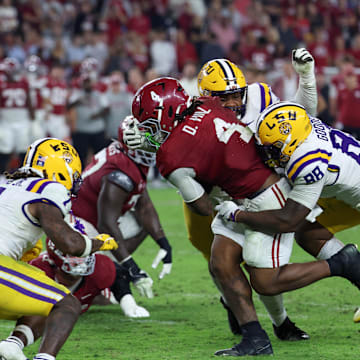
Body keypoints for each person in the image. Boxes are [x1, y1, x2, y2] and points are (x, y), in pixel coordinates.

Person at [123, 77, 360, 357]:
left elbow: (202, 206)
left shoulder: (171, 157)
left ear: (168, 113)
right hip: (247, 190)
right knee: (221, 263)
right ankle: (255, 338)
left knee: (266, 281)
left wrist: (161, 152)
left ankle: (341, 264)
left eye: (150, 124)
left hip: (264, 197)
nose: (149, 132)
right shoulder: (207, 103)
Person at [0, 138, 118, 360]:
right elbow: (70, 244)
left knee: (43, 284)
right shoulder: (49, 188)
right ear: (60, 168)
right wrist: (97, 243)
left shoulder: (8, 184)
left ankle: (13, 345)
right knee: (67, 305)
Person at [70, 118, 172, 315]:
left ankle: (107, 271)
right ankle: (97, 277)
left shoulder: (131, 159)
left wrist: (164, 243)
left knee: (142, 226)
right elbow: (106, 224)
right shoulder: (119, 172)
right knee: (72, 291)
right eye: (146, 139)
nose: (153, 143)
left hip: (95, 218)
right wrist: (131, 266)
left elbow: (145, 206)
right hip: (79, 223)